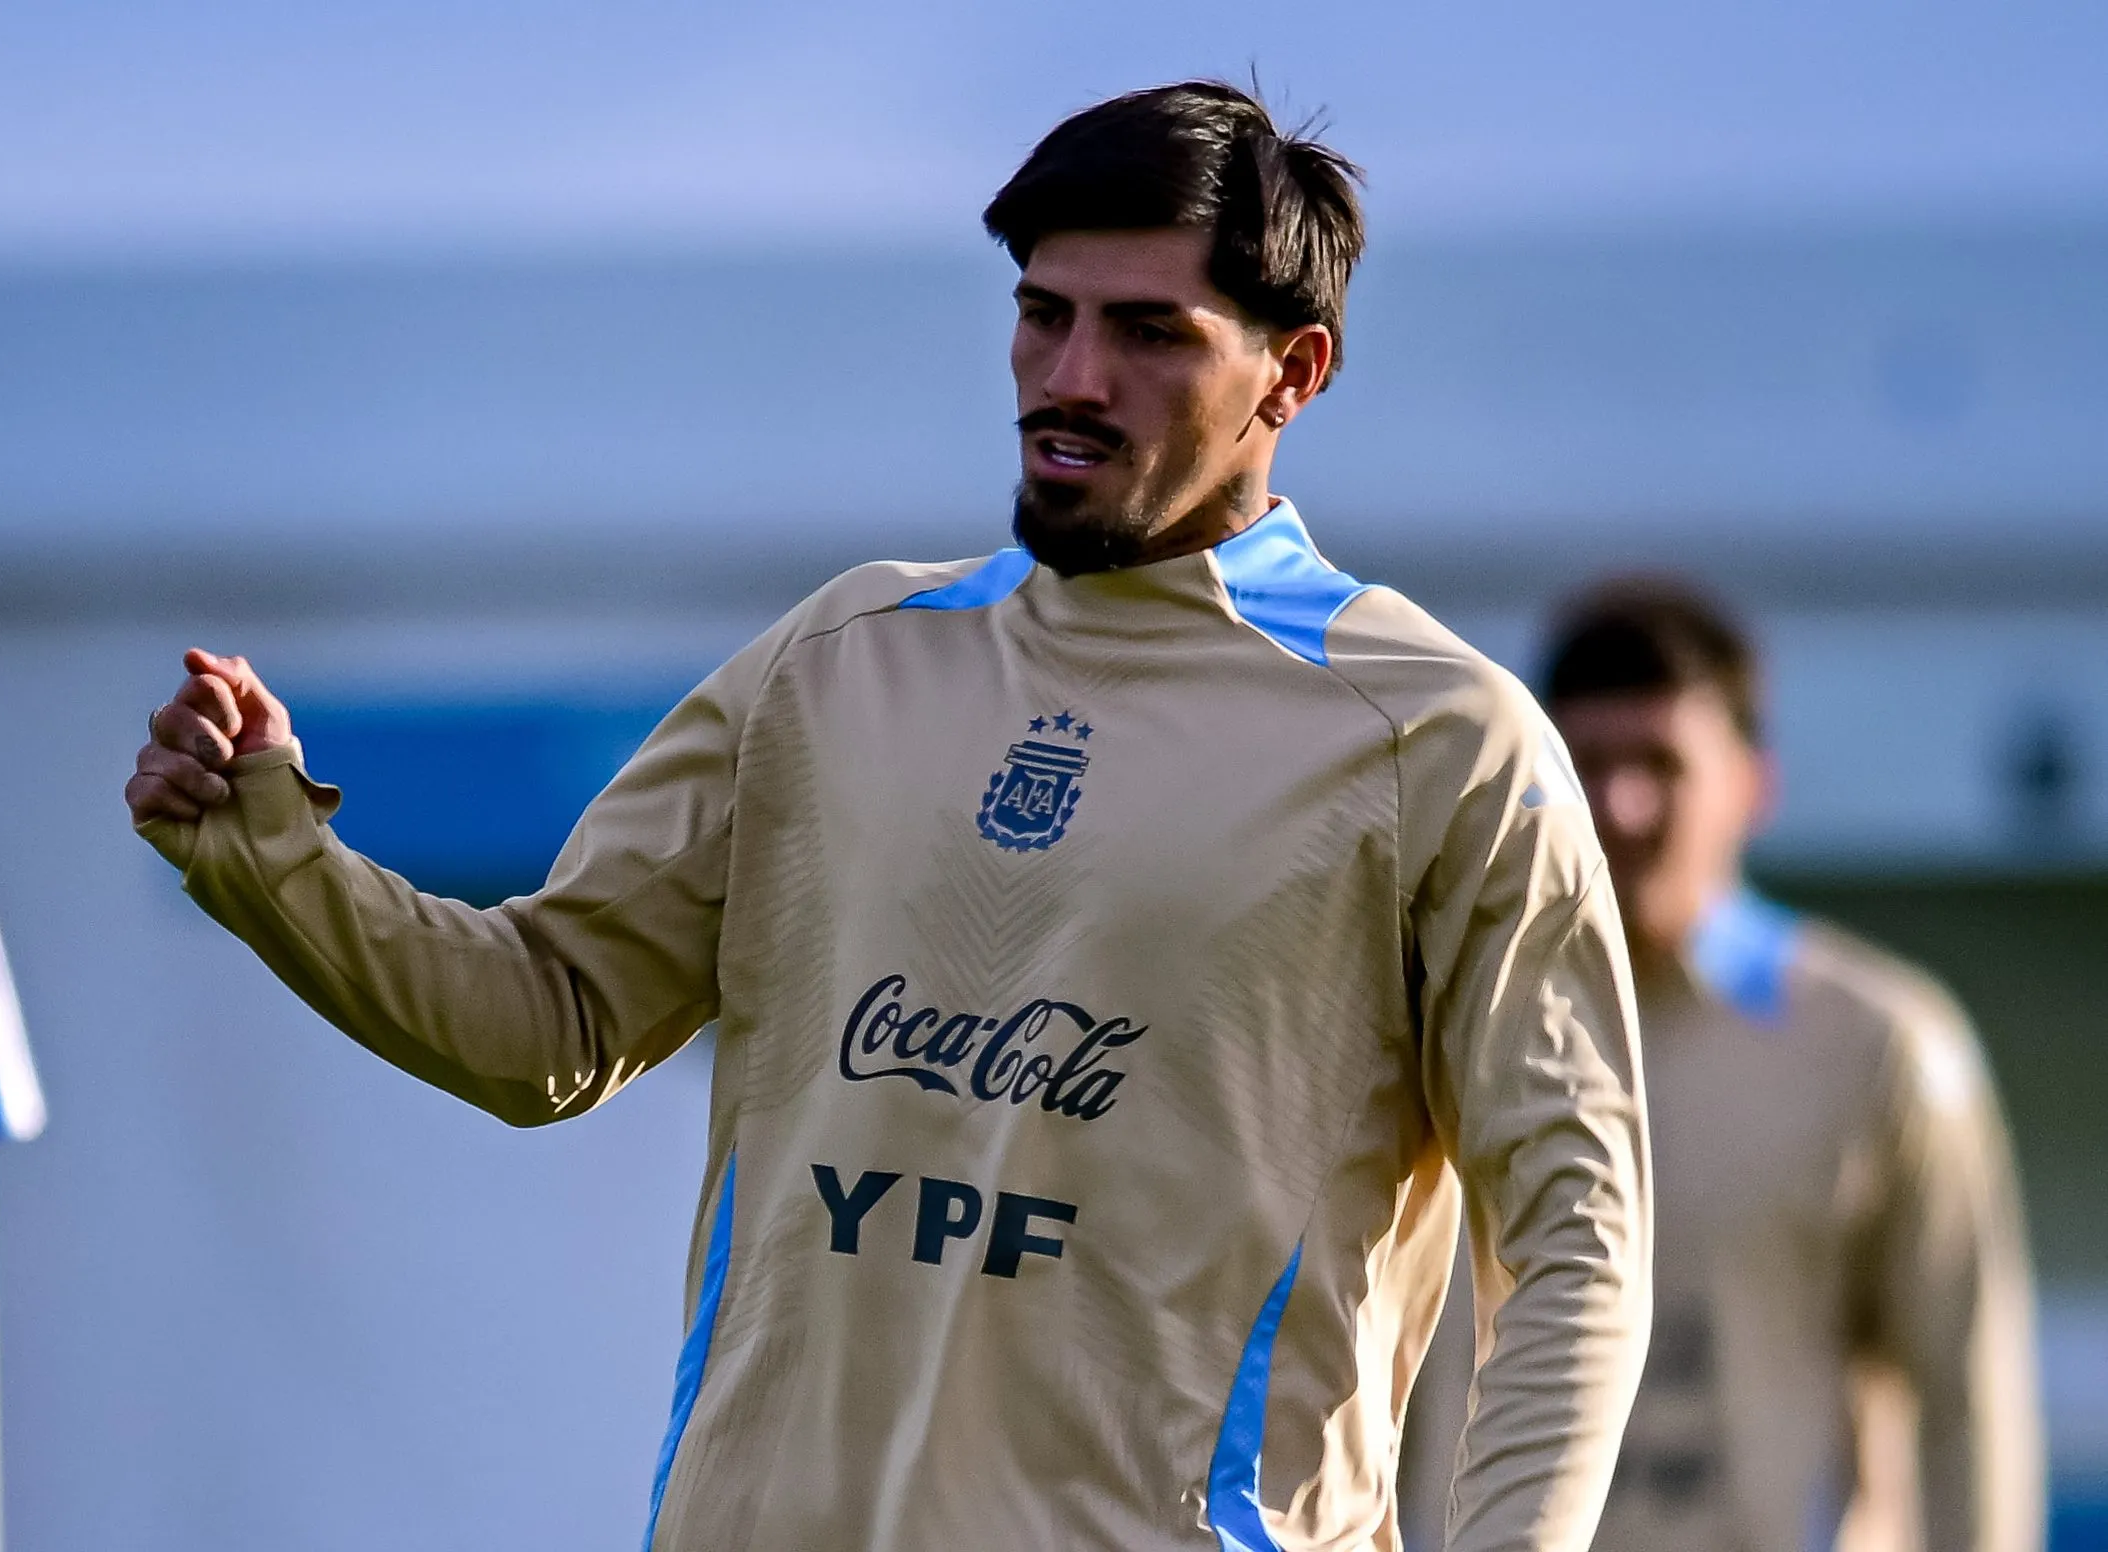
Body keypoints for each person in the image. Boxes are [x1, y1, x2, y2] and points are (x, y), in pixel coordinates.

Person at [126, 83, 1651, 1552]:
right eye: (1042, 313)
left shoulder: (1435, 739)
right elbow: (552, 1018)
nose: (1070, 378)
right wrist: (270, 855)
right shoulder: (839, 657)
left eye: (1147, 332)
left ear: (1292, 373)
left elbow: (1577, 1239)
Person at [1401, 580, 2044, 1552]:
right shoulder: (1444, 1029)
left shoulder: (1879, 1045)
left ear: (1753, 784)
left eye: (1661, 764)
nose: (1622, 807)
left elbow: (1969, 1396)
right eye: (1590, 766)